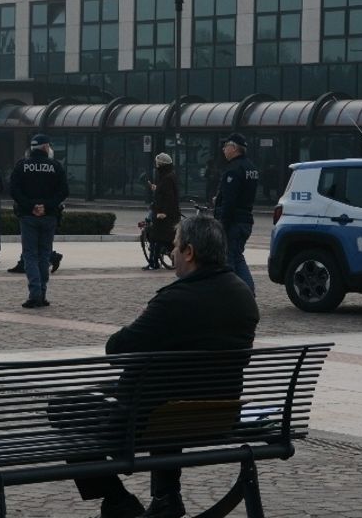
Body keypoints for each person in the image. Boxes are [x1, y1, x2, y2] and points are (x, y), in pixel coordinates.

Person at [61, 214, 260, 518]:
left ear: (190, 252)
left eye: (176, 246)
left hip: (148, 420)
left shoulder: (175, 300)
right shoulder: (242, 294)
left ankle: (118, 501)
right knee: (166, 402)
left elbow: (116, 349)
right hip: (216, 414)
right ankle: (167, 497)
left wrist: (145, 315)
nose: (172, 253)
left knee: (62, 407)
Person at [9, 133, 68, 308]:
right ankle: (41, 293)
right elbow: (63, 191)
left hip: (28, 216)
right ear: (45, 147)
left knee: (30, 255)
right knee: (44, 254)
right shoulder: (55, 166)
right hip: (49, 216)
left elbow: (14, 190)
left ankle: (34, 294)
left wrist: (30, 206)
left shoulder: (22, 166)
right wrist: (47, 206)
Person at [213, 133, 259, 294]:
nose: (223, 149)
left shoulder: (233, 169)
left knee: (228, 261)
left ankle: (234, 296)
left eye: (226, 146)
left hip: (233, 222)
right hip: (245, 219)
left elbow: (229, 201)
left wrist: (221, 225)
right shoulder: (251, 168)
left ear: (234, 148)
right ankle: (247, 292)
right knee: (237, 257)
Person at [145, 152, 180, 271]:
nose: (156, 165)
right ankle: (154, 262)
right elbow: (163, 192)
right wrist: (156, 188)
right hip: (163, 213)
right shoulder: (166, 176)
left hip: (164, 215)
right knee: (160, 238)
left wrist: (163, 212)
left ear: (161, 164)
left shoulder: (167, 177)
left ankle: (154, 263)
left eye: (157, 163)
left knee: (158, 238)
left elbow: (169, 197)